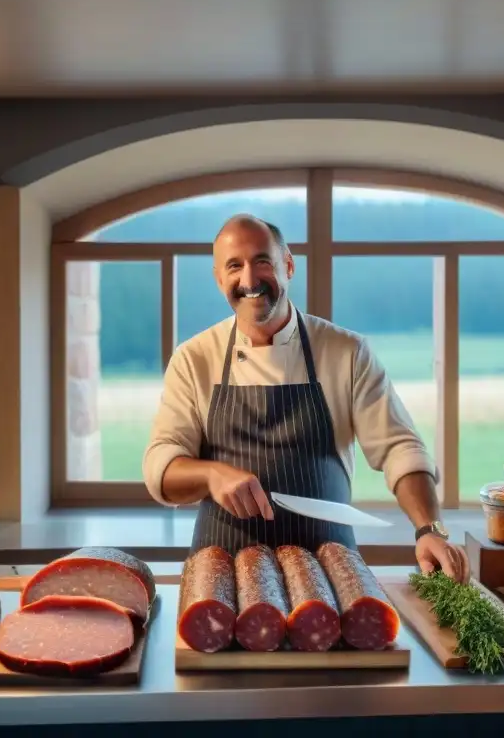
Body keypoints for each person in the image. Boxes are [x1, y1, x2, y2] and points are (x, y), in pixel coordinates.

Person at [142, 214, 469, 582]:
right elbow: (161, 466)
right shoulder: (194, 358)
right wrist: (210, 474)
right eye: (235, 266)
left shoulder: (347, 352)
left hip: (332, 577)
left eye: (262, 261)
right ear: (220, 279)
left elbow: (399, 448)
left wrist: (430, 530)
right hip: (223, 580)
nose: (249, 280)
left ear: (289, 266)